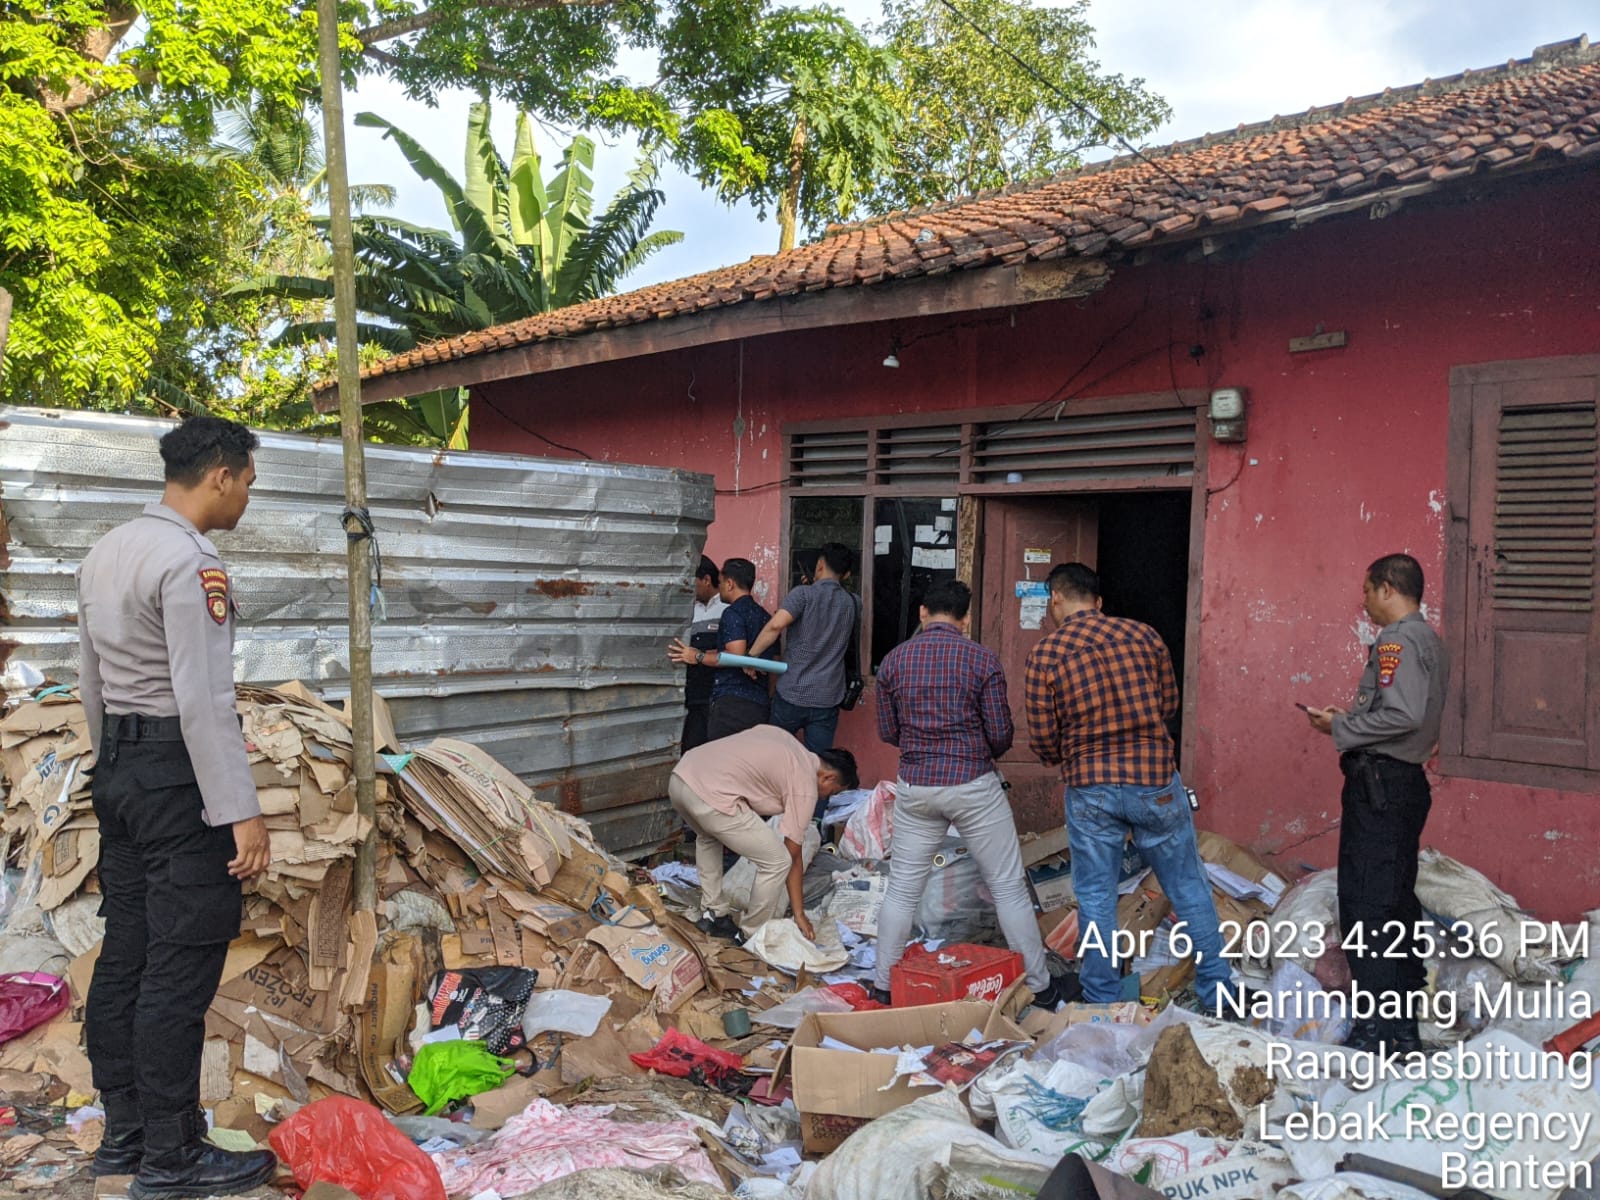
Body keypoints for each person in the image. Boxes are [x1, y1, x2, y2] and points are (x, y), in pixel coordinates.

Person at [76, 417, 278, 1198]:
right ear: (221, 474)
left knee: (125, 952)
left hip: (121, 768)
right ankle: (172, 1160)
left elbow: (91, 683)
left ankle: (124, 1138)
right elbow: (202, 701)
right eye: (249, 483)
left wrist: (113, 769)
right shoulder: (193, 561)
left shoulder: (106, 551)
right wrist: (240, 809)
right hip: (175, 775)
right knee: (179, 965)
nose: (248, 498)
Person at [1023, 563, 1233, 1011]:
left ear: (1055, 599)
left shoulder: (1046, 654)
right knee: (1189, 886)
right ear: (1098, 602)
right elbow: (1169, 703)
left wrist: (1071, 754)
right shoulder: (1144, 636)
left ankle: (1101, 999)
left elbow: (1042, 738)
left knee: (1096, 896)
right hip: (1154, 780)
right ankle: (1218, 991)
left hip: (1090, 786)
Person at [871, 581, 1068, 1009]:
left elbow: (888, 731)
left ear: (922, 612)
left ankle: (883, 986)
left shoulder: (893, 661)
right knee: (1008, 889)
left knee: (902, 891)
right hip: (972, 783)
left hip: (916, 784)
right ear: (965, 618)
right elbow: (999, 735)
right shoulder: (981, 659)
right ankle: (1040, 987)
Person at [1305, 553, 1448, 1056]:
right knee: (1397, 907)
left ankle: (1374, 1034)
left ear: (1387, 588)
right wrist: (1355, 718)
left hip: (1381, 787)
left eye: (1367, 590)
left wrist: (1339, 727)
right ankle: (1402, 1031)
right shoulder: (1430, 641)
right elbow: (1402, 712)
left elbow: (1403, 714)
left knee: (1367, 909)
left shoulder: (1396, 640)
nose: (1363, 600)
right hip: (1404, 784)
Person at [669, 726, 858, 940]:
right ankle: (752, 933)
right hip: (713, 794)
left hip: (681, 778)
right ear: (829, 778)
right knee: (777, 862)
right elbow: (793, 856)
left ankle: (714, 914)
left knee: (708, 837)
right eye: (831, 793)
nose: (825, 797)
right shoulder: (805, 784)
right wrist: (799, 914)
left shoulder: (785, 739)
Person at [749, 542, 859, 755]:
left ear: (819, 565)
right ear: (846, 575)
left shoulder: (802, 595)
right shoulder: (853, 602)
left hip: (793, 691)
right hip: (828, 696)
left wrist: (751, 657)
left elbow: (776, 625)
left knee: (774, 754)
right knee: (818, 761)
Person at [669, 558, 780, 740]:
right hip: (759, 704)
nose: (718, 587)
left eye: (720, 583)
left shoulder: (732, 612)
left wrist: (697, 656)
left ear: (729, 584)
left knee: (721, 761)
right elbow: (774, 660)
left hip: (732, 706)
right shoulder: (765, 617)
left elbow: (735, 656)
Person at [678, 555, 727, 753]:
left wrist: (699, 655)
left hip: (717, 693)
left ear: (706, 579)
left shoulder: (728, 609)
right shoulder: (690, 609)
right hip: (693, 693)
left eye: (693, 582)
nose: (690, 588)